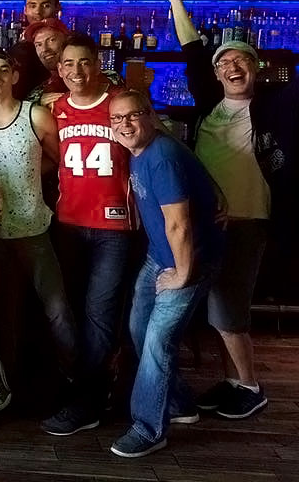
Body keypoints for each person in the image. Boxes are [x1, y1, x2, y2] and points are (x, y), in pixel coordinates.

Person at [169, 0, 293, 419]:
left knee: (227, 310)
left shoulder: (275, 108)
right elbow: (192, 48)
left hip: (247, 221)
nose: (232, 67)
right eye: (224, 63)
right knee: (217, 310)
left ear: (256, 68)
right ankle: (233, 382)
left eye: (241, 60)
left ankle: (252, 386)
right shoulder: (210, 105)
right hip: (210, 223)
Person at [107, 90, 223, 458]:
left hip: (187, 260)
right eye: (117, 118)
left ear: (149, 115)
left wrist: (183, 274)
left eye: (132, 115)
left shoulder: (162, 158)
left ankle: (148, 428)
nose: (125, 124)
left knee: (158, 340)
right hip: (159, 257)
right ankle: (179, 403)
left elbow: (179, 225)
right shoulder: (145, 148)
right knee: (140, 329)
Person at [0, 49, 77, 398]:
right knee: (4, 312)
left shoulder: (35, 115)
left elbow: (61, 160)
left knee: (57, 308)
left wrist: (28, 175)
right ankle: (6, 386)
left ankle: (78, 381)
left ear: (14, 77)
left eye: (4, 70)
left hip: (32, 227)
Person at [41, 32, 133, 437]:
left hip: (114, 228)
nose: (76, 70)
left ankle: (89, 401)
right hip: (69, 225)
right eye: (69, 64)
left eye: (84, 62)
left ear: (98, 64)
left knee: (100, 313)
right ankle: (83, 387)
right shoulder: (54, 108)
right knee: (73, 311)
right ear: (59, 70)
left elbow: (155, 144)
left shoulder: (120, 104)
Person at [11, 0, 61, 99]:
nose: (38, 12)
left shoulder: (70, 44)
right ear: (25, 10)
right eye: (32, 6)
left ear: (58, 7)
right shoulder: (19, 51)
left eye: (46, 5)